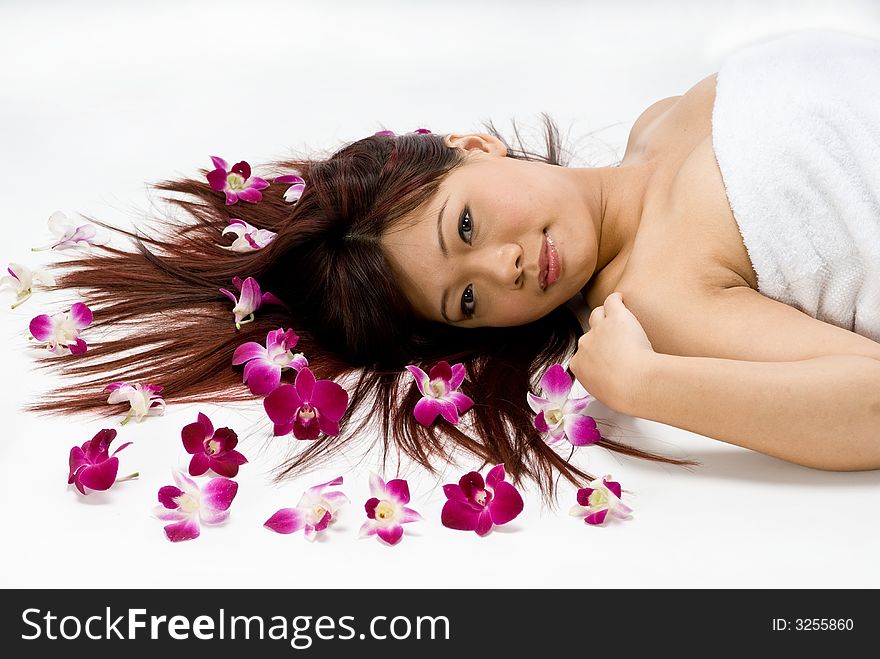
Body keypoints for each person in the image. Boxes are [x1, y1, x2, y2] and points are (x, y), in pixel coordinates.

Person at [28, 30, 880, 500]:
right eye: (467, 298)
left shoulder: (666, 119)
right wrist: (646, 386)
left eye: (465, 222)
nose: (507, 267)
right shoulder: (656, 296)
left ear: (471, 146)